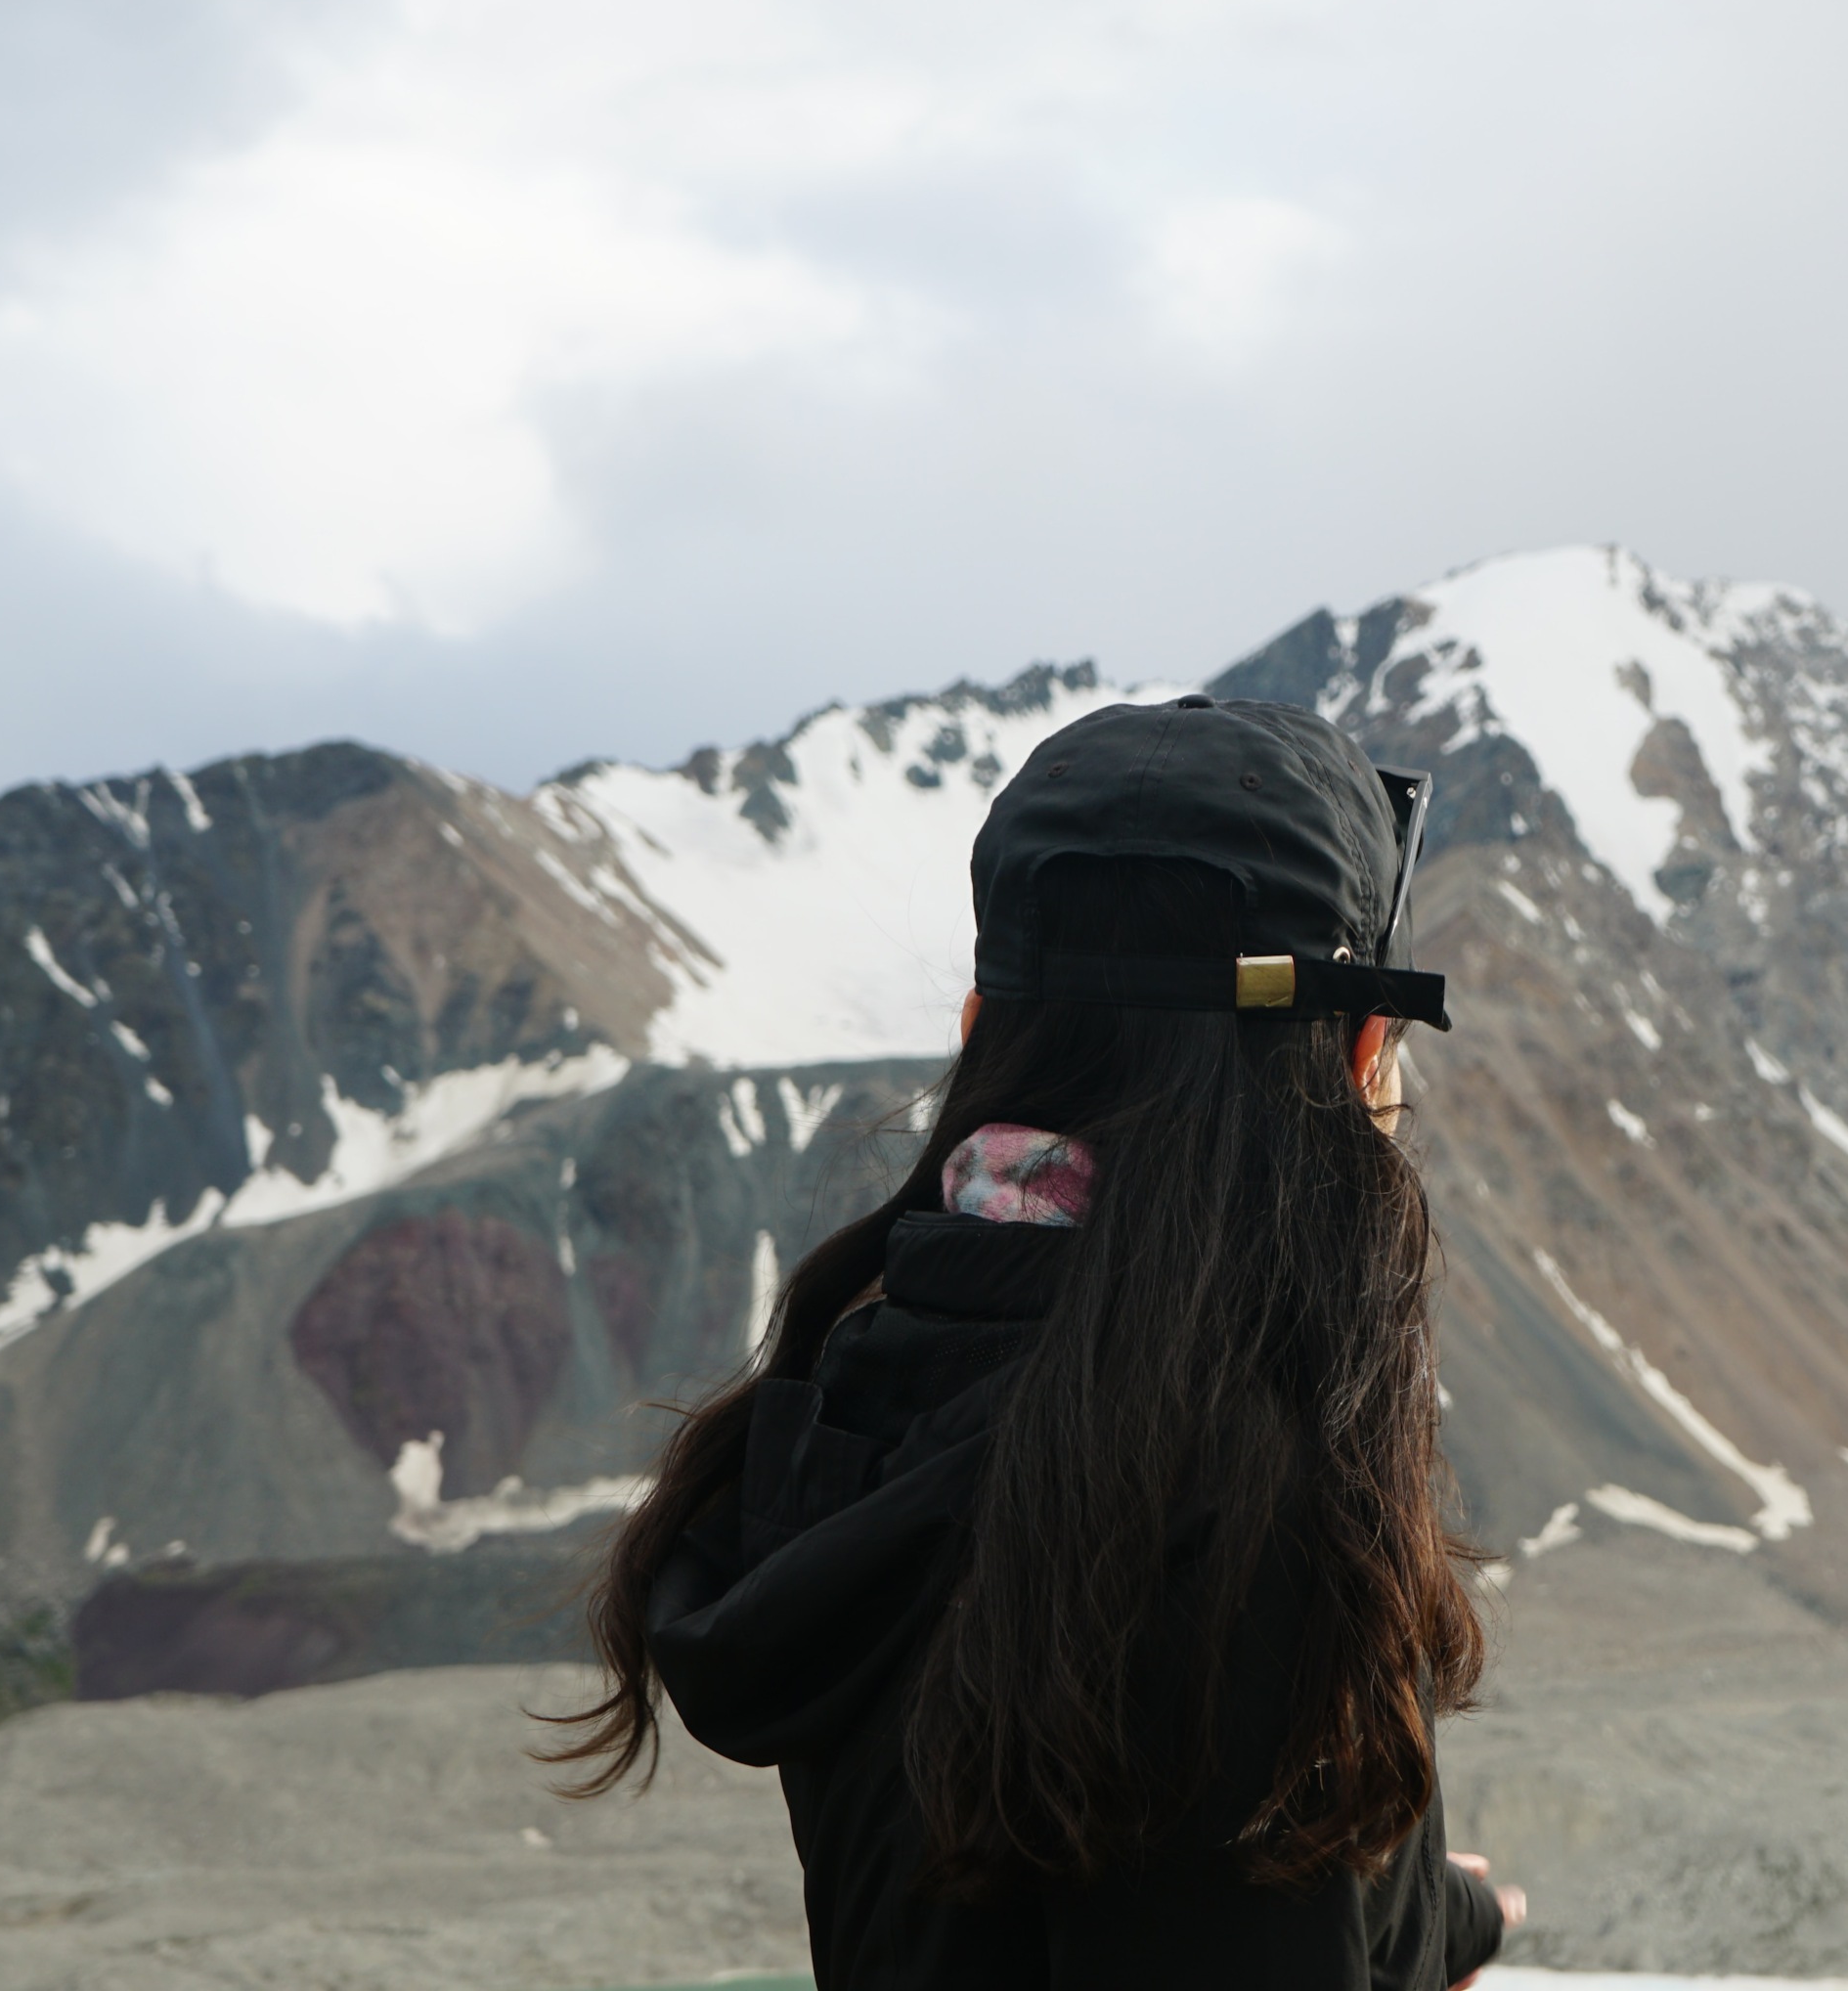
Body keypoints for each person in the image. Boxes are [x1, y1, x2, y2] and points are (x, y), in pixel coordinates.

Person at [543, 694, 1525, 1990]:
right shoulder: (1234, 1506)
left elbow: (1079, 1895)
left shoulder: (868, 1394)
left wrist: (1420, 1916)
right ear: (1355, 1059)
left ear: (976, 1032)